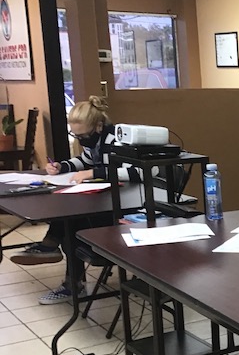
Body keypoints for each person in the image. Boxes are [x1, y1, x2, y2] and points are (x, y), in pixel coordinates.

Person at [12, 96, 142, 304]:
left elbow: (137, 172)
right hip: (108, 200)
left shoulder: (117, 140)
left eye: (83, 135)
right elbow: (85, 160)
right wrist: (62, 167)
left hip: (128, 207)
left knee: (72, 224)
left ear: (99, 126)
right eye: (76, 135)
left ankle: (67, 275)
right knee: (69, 215)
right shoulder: (96, 140)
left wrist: (93, 173)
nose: (81, 139)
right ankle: (54, 252)